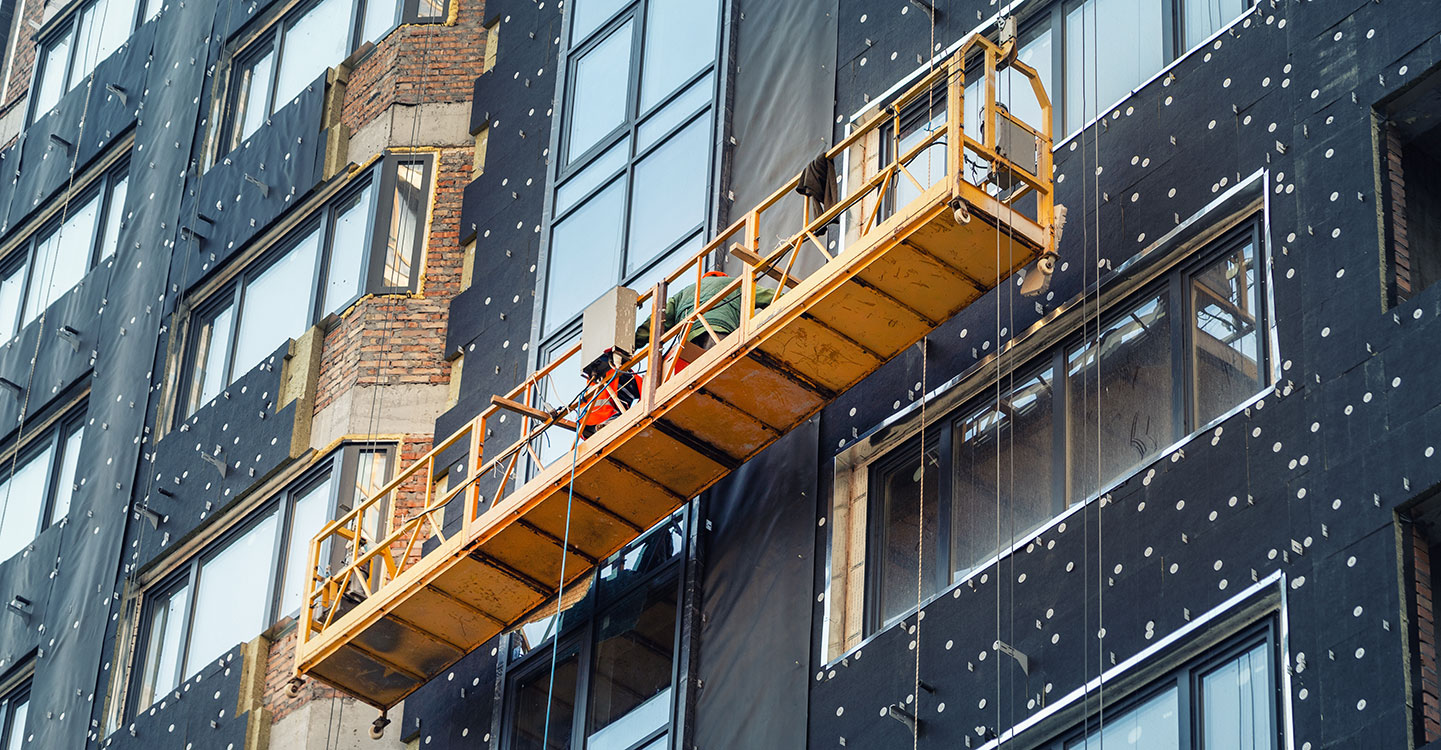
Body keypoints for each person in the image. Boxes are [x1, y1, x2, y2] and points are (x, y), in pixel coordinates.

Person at [631, 271, 775, 368]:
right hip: (718, 334)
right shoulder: (733, 283)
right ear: (722, 277)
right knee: (725, 371)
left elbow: (655, 322)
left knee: (693, 387)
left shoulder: (682, 293)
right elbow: (767, 297)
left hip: (686, 345)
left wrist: (632, 345)